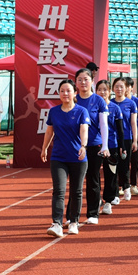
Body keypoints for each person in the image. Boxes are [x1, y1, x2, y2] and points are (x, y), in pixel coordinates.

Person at [40, 79, 89, 237]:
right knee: (59, 190)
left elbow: (84, 130)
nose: (65, 94)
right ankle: (57, 224)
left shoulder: (81, 111)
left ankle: (74, 221)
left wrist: (83, 146)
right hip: (58, 157)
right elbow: (49, 132)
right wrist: (44, 148)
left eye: (68, 90)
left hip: (77, 157)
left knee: (76, 191)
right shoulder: (54, 112)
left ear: (75, 93)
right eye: (62, 91)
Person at [74, 68, 110, 225]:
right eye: (80, 79)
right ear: (75, 82)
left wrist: (105, 145)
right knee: (76, 181)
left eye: (86, 79)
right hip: (75, 146)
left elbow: (104, 125)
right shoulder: (73, 100)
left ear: (92, 82)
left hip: (94, 145)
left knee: (93, 179)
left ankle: (93, 213)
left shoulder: (99, 101)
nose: (83, 82)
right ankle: (72, 216)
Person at [95, 79, 123, 216]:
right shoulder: (92, 107)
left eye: (105, 89)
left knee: (110, 174)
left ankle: (108, 202)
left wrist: (122, 146)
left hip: (112, 146)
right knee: (94, 175)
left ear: (109, 91)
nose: (102, 92)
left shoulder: (115, 108)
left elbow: (120, 130)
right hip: (95, 146)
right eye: (99, 89)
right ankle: (97, 200)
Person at [113, 77, 138, 201]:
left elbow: (134, 123)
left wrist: (135, 140)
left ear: (126, 89)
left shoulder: (131, 104)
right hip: (112, 139)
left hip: (127, 138)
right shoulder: (110, 103)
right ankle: (116, 187)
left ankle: (126, 187)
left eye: (121, 87)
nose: (119, 89)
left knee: (125, 164)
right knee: (113, 164)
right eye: (116, 86)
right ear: (113, 88)